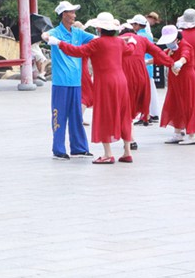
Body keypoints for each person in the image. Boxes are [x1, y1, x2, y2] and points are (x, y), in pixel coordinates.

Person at [47, 13, 135, 164]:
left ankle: (108, 154)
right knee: (123, 114)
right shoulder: (119, 43)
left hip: (105, 82)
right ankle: (127, 151)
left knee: (104, 114)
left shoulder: (97, 44)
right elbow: (130, 50)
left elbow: (77, 51)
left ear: (99, 28)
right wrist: (133, 42)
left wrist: (59, 43)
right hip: (121, 81)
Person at [41, 1, 94, 161]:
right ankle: (58, 149)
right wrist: (47, 37)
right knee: (59, 115)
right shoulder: (55, 33)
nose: (75, 15)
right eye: (72, 12)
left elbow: (98, 39)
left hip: (76, 82)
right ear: (64, 14)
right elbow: (45, 36)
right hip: (61, 83)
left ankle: (79, 148)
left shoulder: (78, 33)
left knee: (76, 115)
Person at [119, 23, 173, 135]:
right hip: (141, 76)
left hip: (123, 75)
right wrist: (171, 63)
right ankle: (133, 131)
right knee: (137, 103)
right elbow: (158, 52)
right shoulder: (143, 40)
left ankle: (129, 138)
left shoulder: (117, 40)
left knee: (125, 107)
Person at [156, 25, 195, 145]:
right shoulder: (171, 49)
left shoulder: (185, 45)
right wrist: (145, 62)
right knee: (176, 104)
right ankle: (177, 133)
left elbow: (185, 55)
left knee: (188, 104)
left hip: (187, 79)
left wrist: (180, 62)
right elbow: (161, 57)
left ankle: (192, 135)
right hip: (175, 80)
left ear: (177, 38)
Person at [145, 11, 162, 120]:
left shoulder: (146, 32)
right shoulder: (147, 30)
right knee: (151, 89)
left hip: (147, 61)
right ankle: (152, 111)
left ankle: (150, 112)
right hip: (148, 61)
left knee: (149, 89)